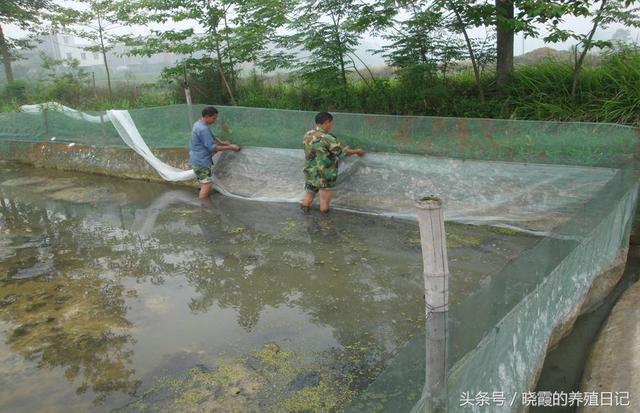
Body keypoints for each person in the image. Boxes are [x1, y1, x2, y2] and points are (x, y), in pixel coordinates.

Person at [301, 112, 365, 213]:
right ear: (326, 122)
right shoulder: (327, 138)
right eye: (331, 123)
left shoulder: (307, 134)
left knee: (308, 197)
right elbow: (343, 152)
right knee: (324, 206)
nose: (331, 126)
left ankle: (303, 217)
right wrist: (357, 151)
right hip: (324, 174)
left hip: (310, 172)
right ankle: (325, 226)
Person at [190, 106, 241, 199]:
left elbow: (210, 134)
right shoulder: (203, 129)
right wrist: (230, 147)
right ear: (206, 116)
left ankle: (203, 201)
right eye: (213, 118)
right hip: (201, 161)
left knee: (204, 183)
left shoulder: (198, 124)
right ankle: (203, 207)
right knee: (207, 184)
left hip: (196, 159)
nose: (215, 120)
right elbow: (212, 148)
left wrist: (221, 142)